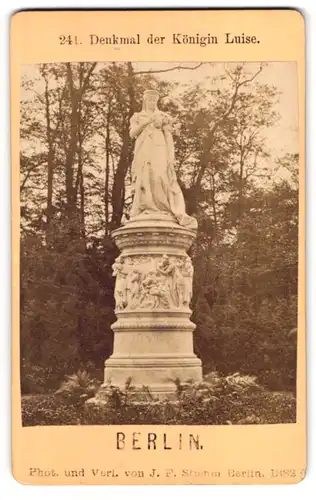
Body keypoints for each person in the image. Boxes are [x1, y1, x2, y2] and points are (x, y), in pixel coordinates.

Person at [129, 89, 197, 229]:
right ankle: (147, 206)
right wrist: (147, 121)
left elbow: (168, 137)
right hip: (143, 149)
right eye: (150, 100)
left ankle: (162, 208)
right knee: (144, 177)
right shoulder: (137, 116)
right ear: (145, 101)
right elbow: (132, 133)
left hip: (160, 149)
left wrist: (171, 157)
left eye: (155, 100)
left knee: (160, 177)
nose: (152, 103)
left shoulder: (163, 116)